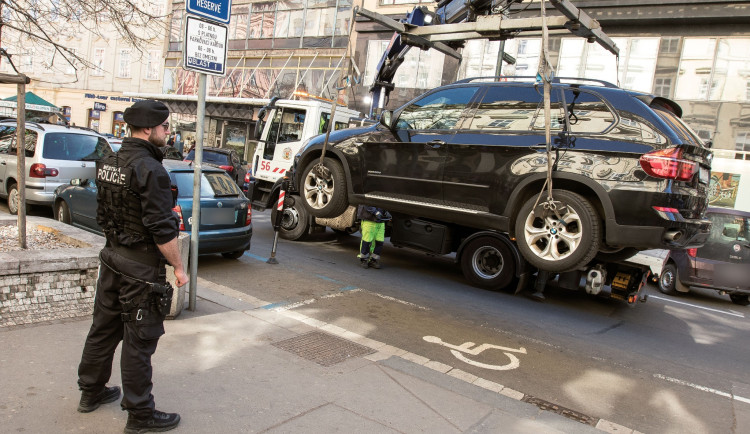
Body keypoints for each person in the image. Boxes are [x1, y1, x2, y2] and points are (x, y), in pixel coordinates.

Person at [76, 100, 188, 433]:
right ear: (149, 129)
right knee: (139, 341)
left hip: (112, 257)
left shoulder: (109, 159)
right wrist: (179, 268)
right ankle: (140, 415)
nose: (168, 133)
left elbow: (113, 210)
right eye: (165, 127)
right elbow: (161, 229)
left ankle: (90, 393)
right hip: (139, 268)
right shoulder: (151, 170)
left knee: (103, 330)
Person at [357, 205, 391, 269]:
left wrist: (386, 211)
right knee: (367, 241)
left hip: (380, 222)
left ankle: (373, 260)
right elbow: (366, 202)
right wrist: (376, 212)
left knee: (379, 242)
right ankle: (364, 259)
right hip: (369, 220)